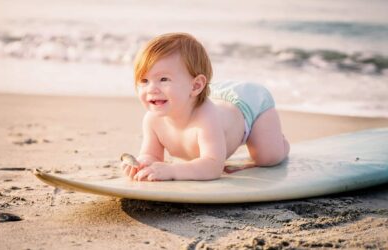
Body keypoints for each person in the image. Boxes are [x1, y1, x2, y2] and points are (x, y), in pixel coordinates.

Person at [122, 32, 290, 181]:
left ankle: (281, 142)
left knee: (267, 158)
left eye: (164, 79)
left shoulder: (206, 118)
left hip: (249, 106)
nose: (151, 89)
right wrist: (143, 162)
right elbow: (152, 155)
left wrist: (173, 170)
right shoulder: (152, 120)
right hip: (218, 97)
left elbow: (213, 166)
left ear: (195, 86)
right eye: (144, 81)